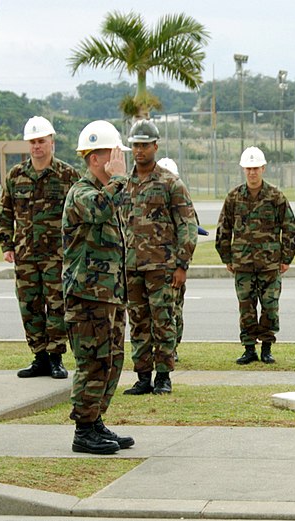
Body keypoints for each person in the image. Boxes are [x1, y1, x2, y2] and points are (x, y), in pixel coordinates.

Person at [63, 120, 134, 455]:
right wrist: (118, 179)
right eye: (113, 154)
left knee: (112, 360)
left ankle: (95, 421)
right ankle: (83, 430)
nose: (119, 160)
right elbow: (98, 210)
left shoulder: (109, 192)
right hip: (86, 296)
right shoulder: (83, 193)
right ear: (95, 158)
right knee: (92, 361)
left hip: (110, 296)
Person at [0, 116, 80, 379]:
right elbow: (4, 212)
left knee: (57, 306)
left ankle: (56, 358)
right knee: (29, 306)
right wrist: (6, 244)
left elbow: (79, 213)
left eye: (41, 141)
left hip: (57, 255)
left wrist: (76, 249)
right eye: (32, 142)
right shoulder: (16, 176)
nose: (36, 147)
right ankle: (39, 357)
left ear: (51, 142)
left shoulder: (68, 175)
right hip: (25, 255)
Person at [121, 122, 197, 396]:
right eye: (135, 145)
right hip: (132, 267)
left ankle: (163, 376)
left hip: (162, 267)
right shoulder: (123, 183)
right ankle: (143, 377)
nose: (139, 150)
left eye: (144, 145)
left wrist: (181, 264)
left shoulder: (170, 183)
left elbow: (187, 225)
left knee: (163, 321)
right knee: (138, 322)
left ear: (155, 146)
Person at [216, 146, 295, 365]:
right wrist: (227, 258)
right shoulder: (234, 197)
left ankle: (267, 347)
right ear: (243, 170)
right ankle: (249, 348)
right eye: (248, 168)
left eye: (255, 168)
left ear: (263, 168)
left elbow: (289, 227)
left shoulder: (275, 197)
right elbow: (223, 229)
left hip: (270, 264)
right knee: (246, 307)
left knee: (270, 306)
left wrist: (286, 258)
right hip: (242, 264)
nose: (252, 172)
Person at [155, 157, 209, 363]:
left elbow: (192, 230)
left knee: (174, 309)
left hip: (174, 265)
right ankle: (158, 349)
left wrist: (182, 264)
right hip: (154, 265)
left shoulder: (182, 201)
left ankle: (172, 348)